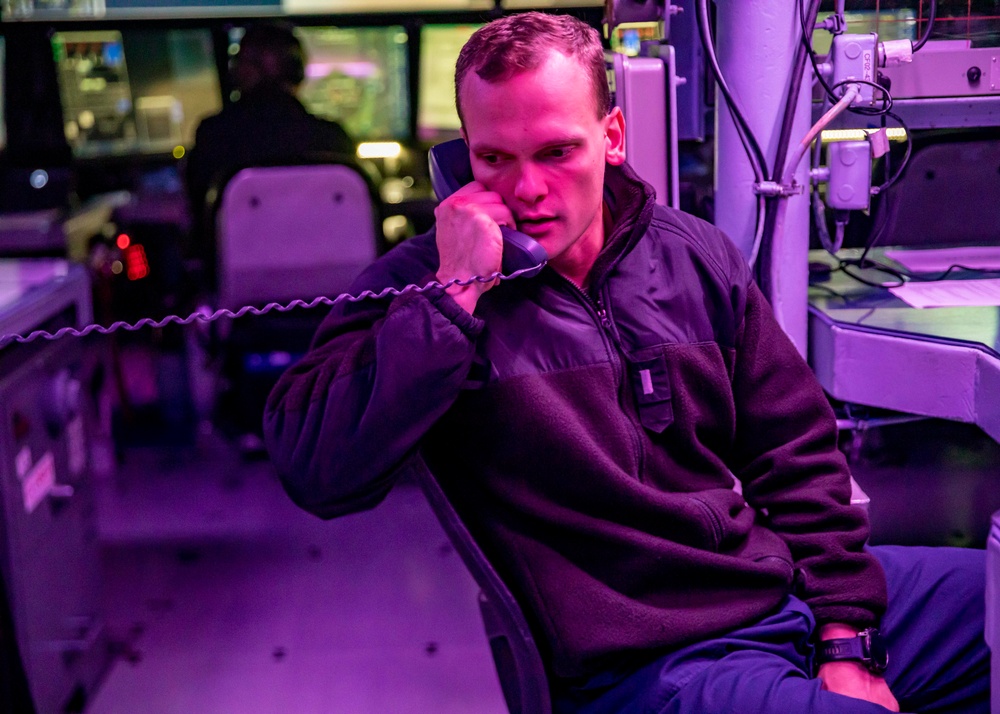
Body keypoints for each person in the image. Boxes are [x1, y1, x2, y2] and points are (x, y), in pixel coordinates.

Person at [263, 12, 990, 713]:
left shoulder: (692, 255)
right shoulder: (427, 287)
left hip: (775, 592)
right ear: (462, 160)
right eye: (494, 159)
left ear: (612, 136)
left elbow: (795, 455)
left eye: (556, 152)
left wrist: (845, 636)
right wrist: (454, 299)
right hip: (650, 662)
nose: (526, 189)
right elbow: (314, 467)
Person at [184, 20, 355, 262]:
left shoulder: (213, 134)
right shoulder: (334, 138)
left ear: (242, 72)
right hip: (328, 285)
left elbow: (198, 216)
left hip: (239, 289)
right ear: (298, 73)